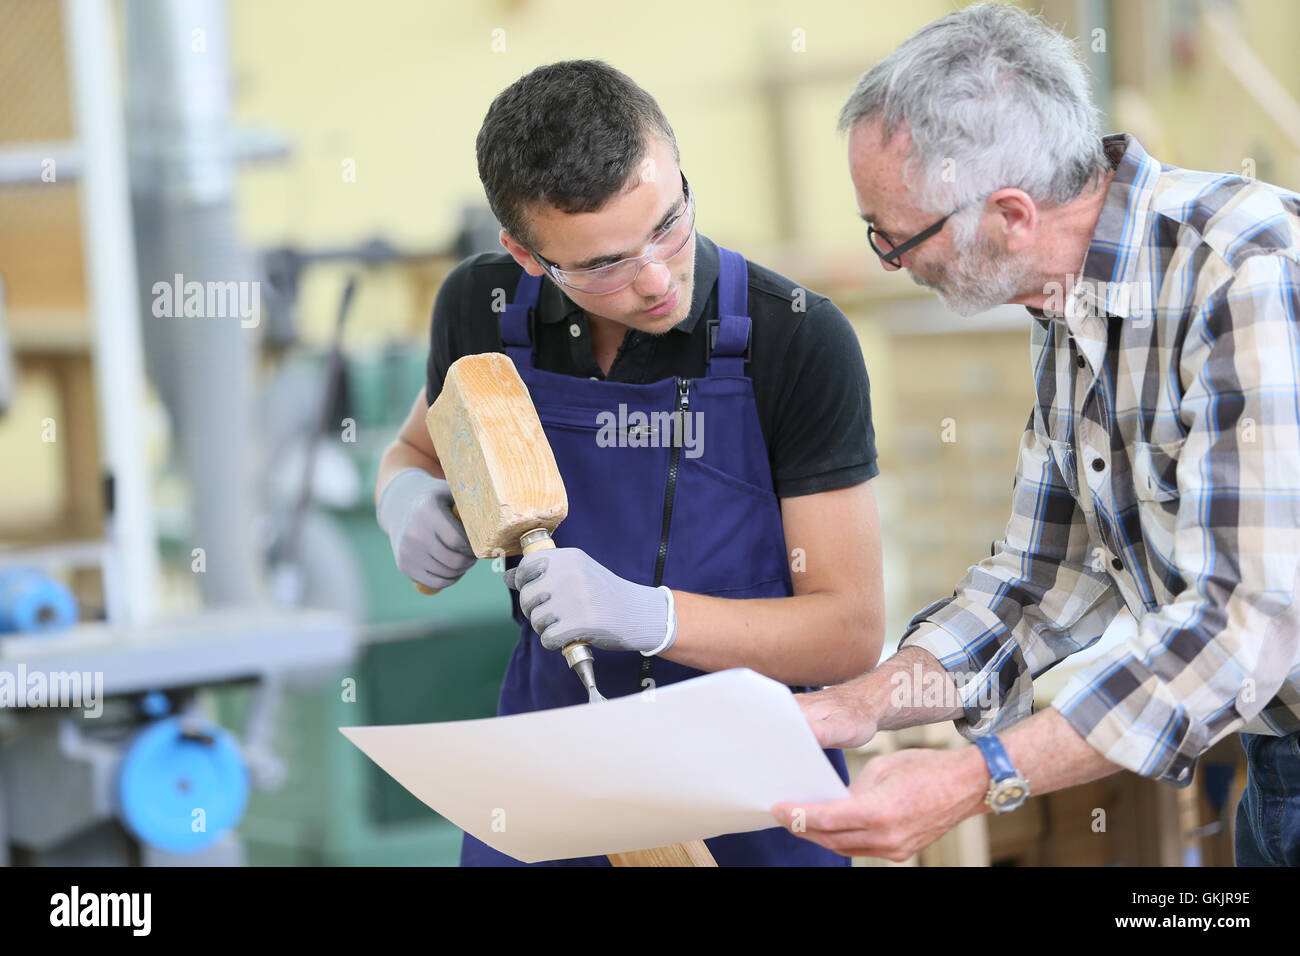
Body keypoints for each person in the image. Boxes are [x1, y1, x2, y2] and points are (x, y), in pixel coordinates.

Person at [773, 2, 1300, 866]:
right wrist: (858, 704)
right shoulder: (1069, 305)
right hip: (1278, 759)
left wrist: (974, 777)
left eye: (895, 237)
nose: (889, 263)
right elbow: (1033, 585)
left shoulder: (1241, 275)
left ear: (1010, 215)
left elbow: (1237, 626)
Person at [375, 60, 884, 866]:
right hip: (549, 780)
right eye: (605, 264)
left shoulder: (796, 339)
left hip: (750, 800)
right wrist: (406, 497)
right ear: (527, 253)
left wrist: (653, 618)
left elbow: (849, 633)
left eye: (668, 225)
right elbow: (414, 447)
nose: (655, 279)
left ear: (677, 170)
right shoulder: (483, 306)